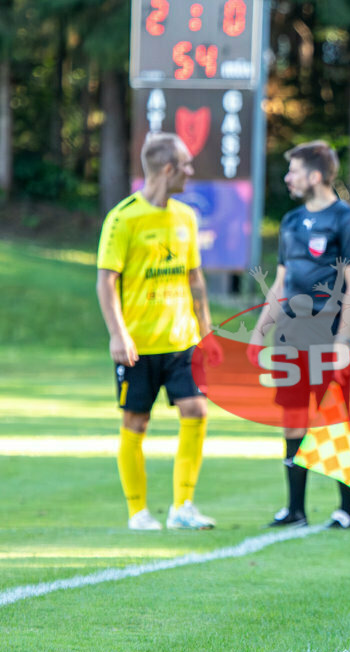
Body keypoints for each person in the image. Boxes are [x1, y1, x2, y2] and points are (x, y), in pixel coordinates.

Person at [96, 131, 223, 531]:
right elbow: (106, 281)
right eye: (186, 164)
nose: (190, 171)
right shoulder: (122, 219)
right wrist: (119, 334)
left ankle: (182, 506)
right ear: (168, 169)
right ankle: (138, 512)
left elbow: (195, 279)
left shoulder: (186, 217)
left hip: (181, 341)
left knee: (196, 410)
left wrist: (206, 333)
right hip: (138, 345)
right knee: (136, 422)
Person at [248, 141, 350, 528]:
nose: (288, 178)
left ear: (315, 176)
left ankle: (344, 510)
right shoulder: (290, 222)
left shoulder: (347, 220)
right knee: (293, 420)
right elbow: (281, 282)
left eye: (294, 171)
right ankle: (295, 509)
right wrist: (259, 330)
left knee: (334, 420)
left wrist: (341, 341)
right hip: (289, 338)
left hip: (328, 336)